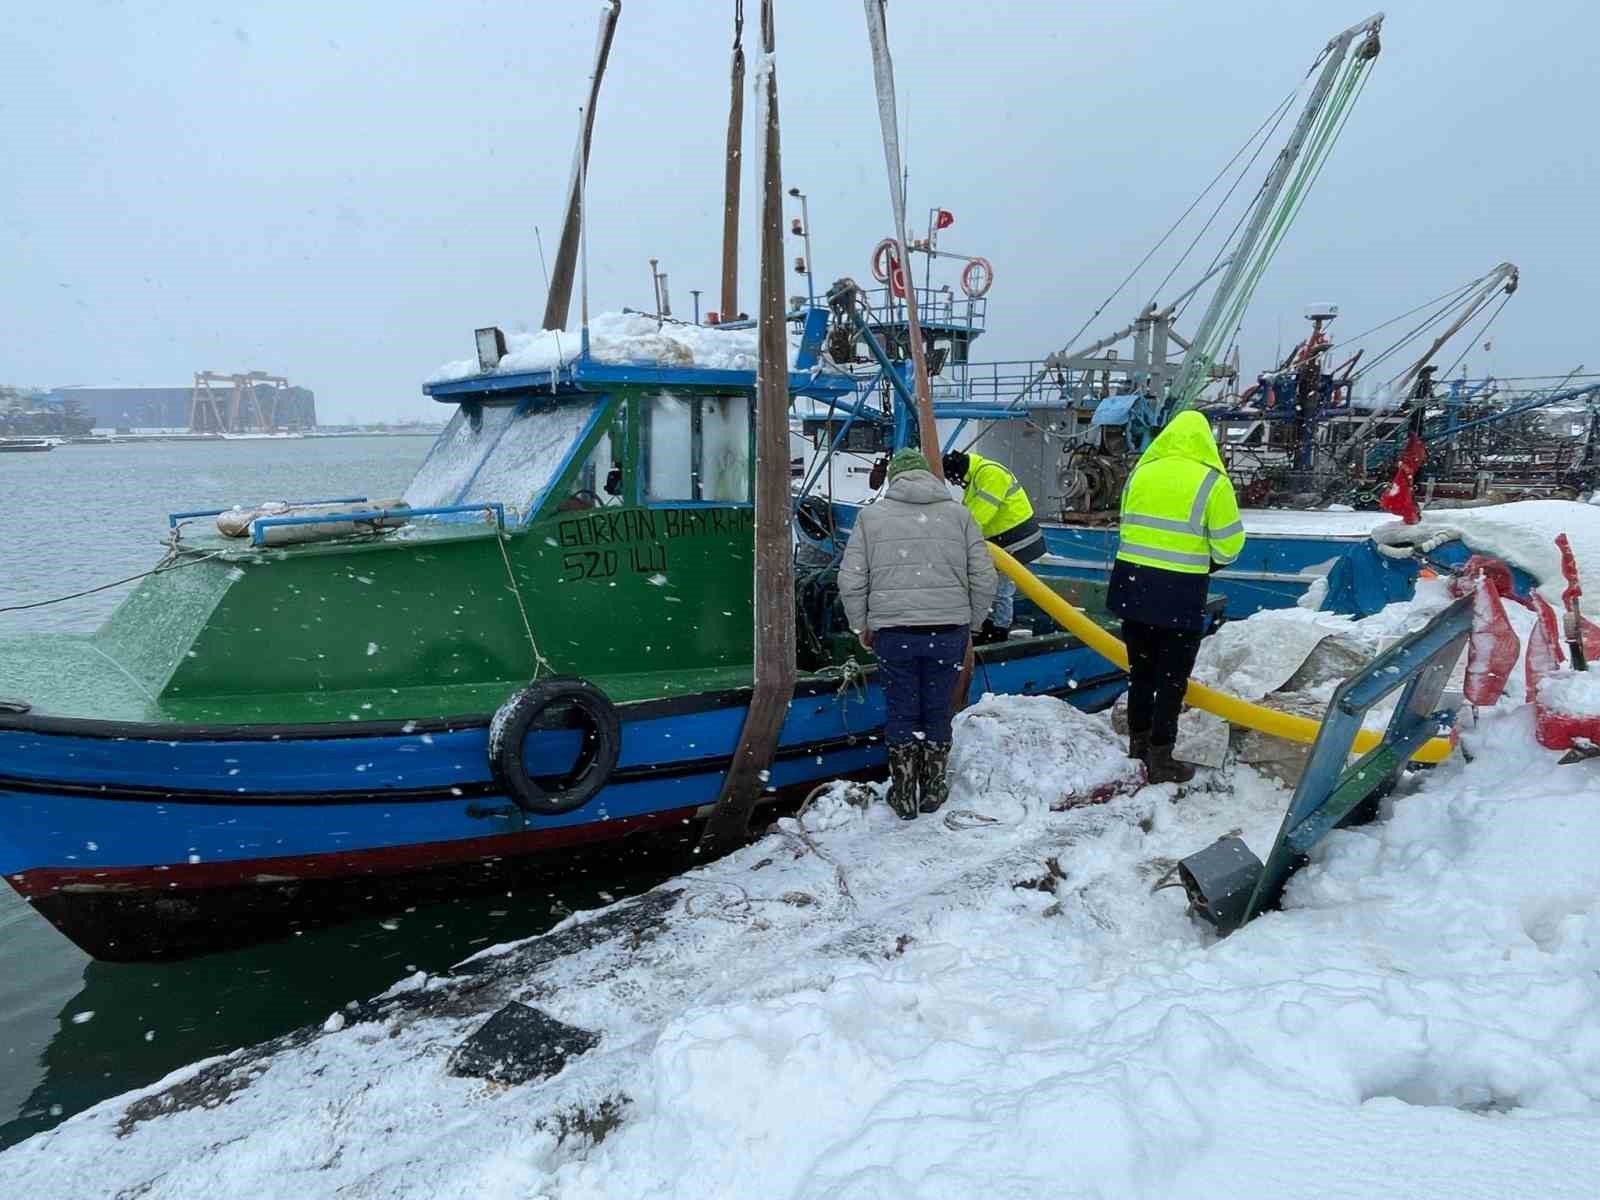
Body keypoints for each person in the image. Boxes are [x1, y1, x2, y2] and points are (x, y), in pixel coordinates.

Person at [839, 448, 997, 819]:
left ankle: (905, 792)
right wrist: (971, 623)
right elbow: (985, 576)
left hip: (894, 633)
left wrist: (862, 624)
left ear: (894, 477)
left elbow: (850, 579)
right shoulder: (959, 515)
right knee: (937, 707)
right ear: (927, 475)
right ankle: (934, 789)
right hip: (947, 632)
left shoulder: (871, 518)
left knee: (902, 710)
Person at [1106, 411, 1245, 785]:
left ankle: (1137, 742)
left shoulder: (1142, 472)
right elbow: (1229, 546)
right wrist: (1204, 559)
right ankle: (1161, 754)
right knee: (1171, 679)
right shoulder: (1212, 482)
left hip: (1133, 587)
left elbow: (1126, 523)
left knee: (1140, 672)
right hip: (1178, 592)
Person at [941, 449, 1044, 641]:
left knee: (1001, 589)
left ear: (959, 471)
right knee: (989, 585)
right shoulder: (977, 477)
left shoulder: (990, 474)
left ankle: (999, 630)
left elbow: (978, 518)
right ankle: (990, 624)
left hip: (1016, 540)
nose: (956, 484)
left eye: (954, 480)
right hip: (1001, 543)